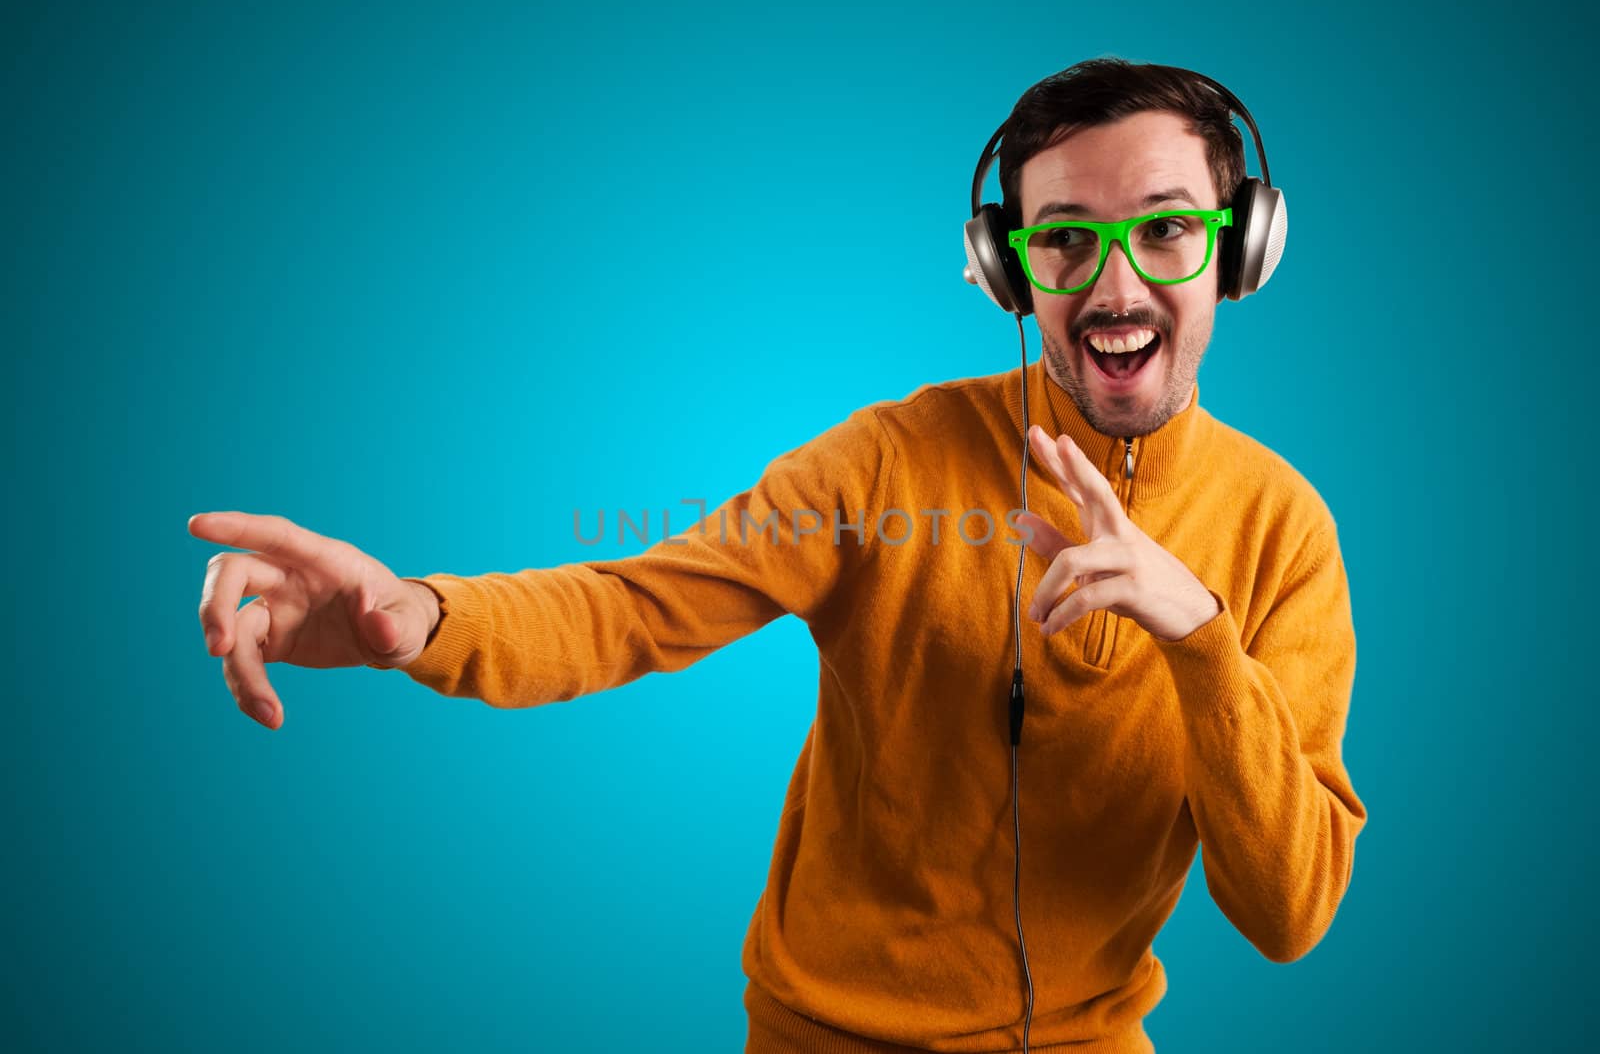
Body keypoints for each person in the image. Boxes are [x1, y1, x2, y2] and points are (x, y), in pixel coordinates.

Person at [191, 57, 1365, 1054]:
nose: (1116, 285)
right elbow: (636, 603)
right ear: (1011, 269)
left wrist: (1199, 635)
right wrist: (422, 618)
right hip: (823, 1033)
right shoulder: (888, 462)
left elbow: (1288, 909)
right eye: (1065, 239)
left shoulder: (1282, 529)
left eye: (1165, 228)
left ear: (1239, 247)